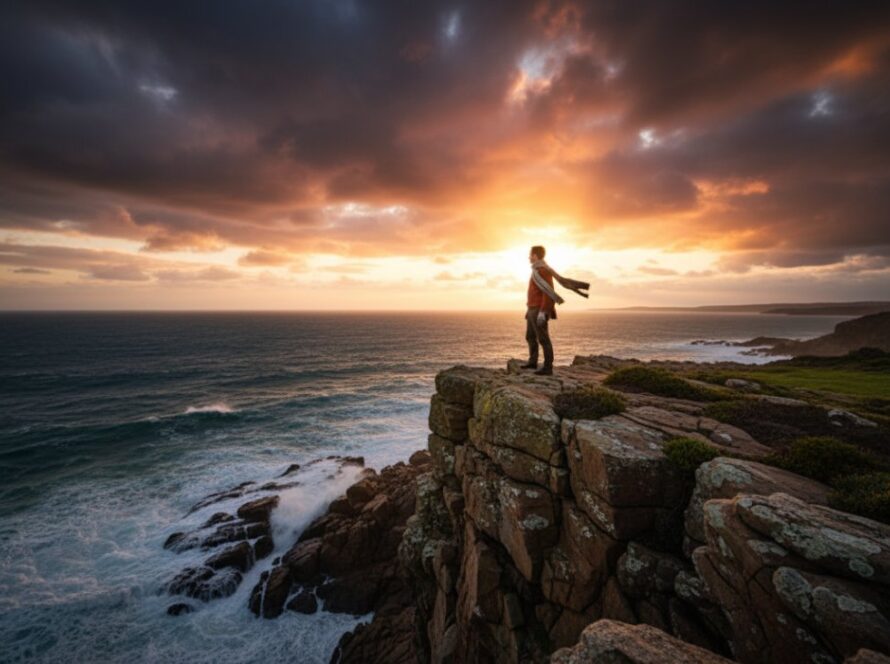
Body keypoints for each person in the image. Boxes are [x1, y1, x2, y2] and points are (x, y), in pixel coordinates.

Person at [520, 245, 590, 375]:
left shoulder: (543, 270)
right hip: (531, 309)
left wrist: (543, 311)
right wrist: (529, 308)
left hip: (538, 310)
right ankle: (532, 362)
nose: (528, 257)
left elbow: (549, 292)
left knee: (543, 339)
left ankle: (548, 367)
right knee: (530, 336)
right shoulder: (536, 270)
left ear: (535, 255)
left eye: (530, 254)